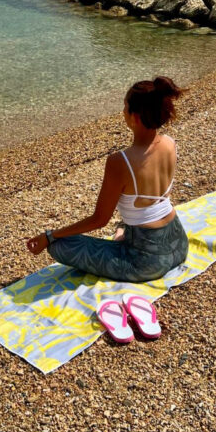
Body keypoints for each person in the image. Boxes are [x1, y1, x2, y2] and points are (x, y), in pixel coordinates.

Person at [26, 77, 189, 282]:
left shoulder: (121, 161)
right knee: (126, 221)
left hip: (147, 264)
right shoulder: (169, 143)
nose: (123, 112)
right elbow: (153, 201)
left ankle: (123, 239)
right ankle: (126, 235)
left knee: (59, 245)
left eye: (125, 107)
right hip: (179, 243)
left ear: (135, 117)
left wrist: (50, 236)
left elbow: (99, 220)